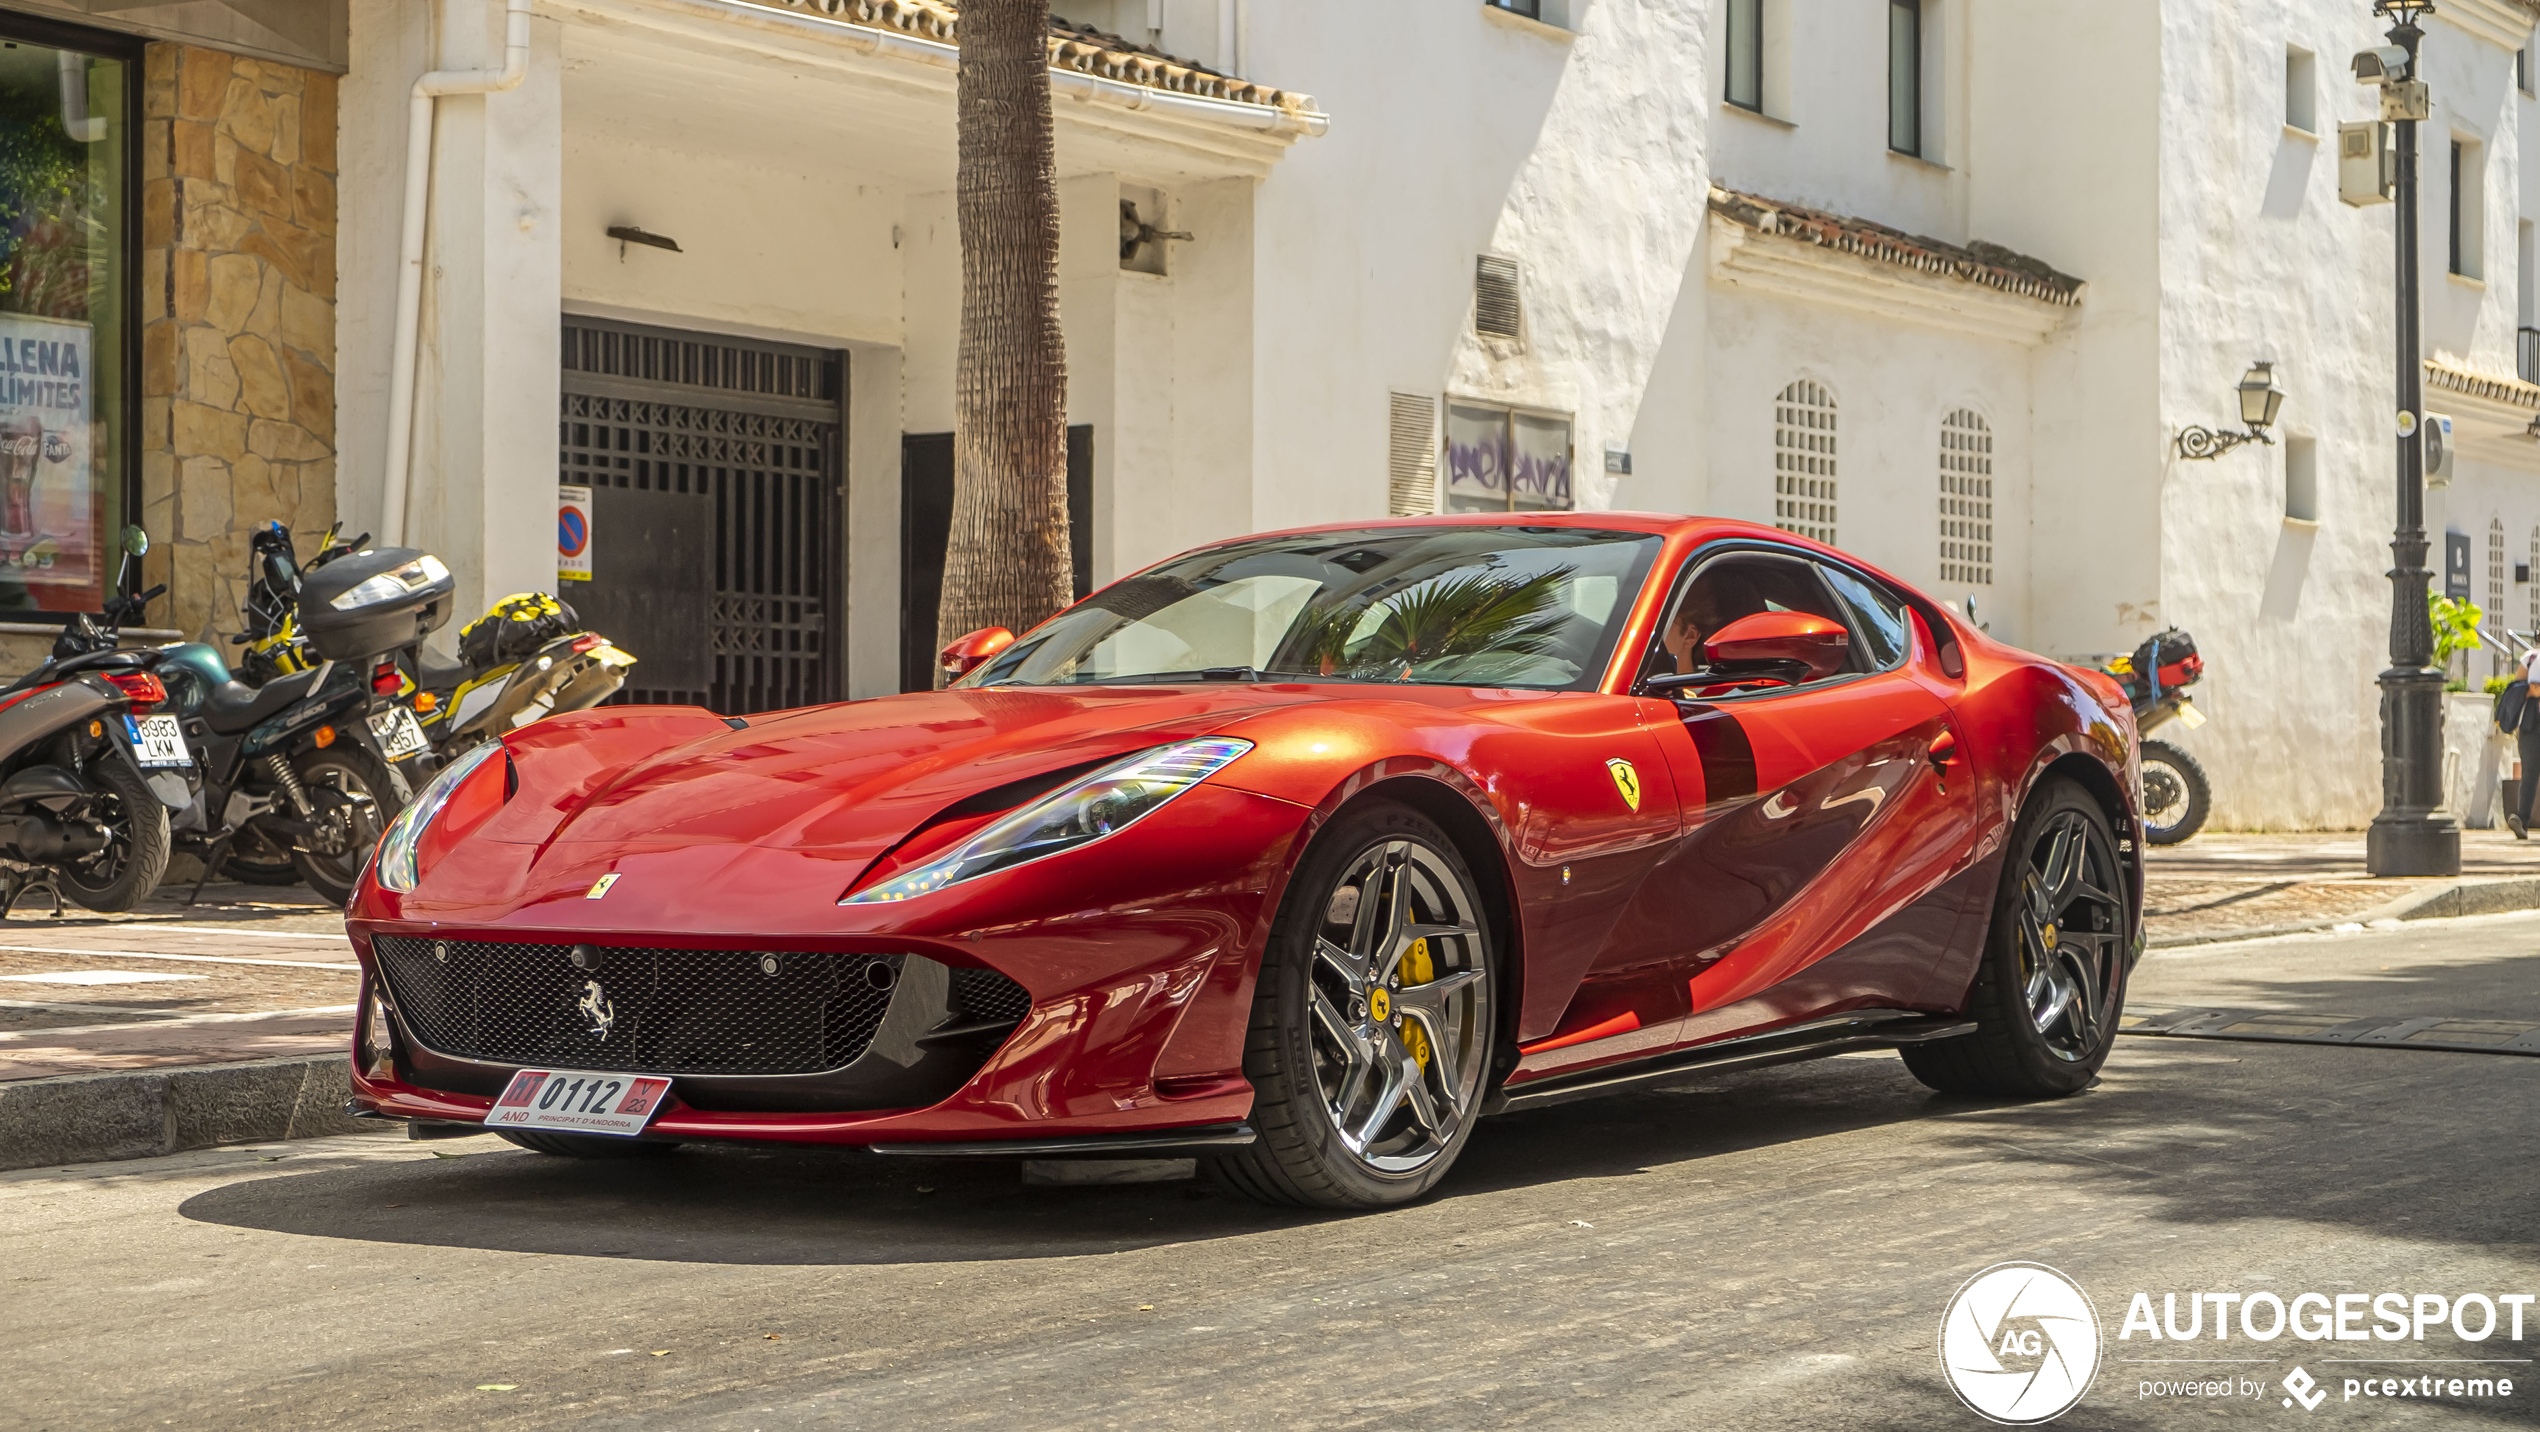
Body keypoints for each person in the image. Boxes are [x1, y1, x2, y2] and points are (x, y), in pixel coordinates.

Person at [2514, 645, 2540, 839]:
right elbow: (2516, 690)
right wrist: (2531, 692)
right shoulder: (2530, 659)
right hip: (2531, 723)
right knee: (2529, 772)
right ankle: (2521, 821)